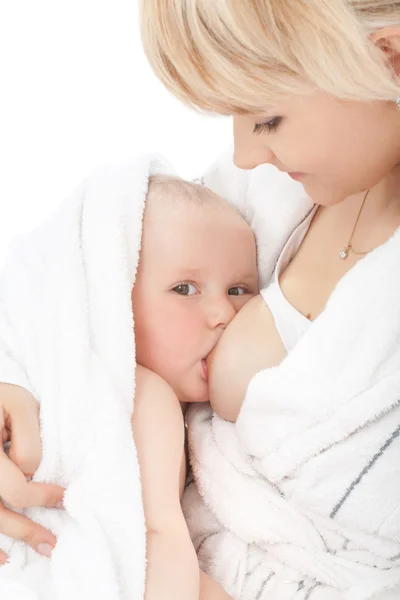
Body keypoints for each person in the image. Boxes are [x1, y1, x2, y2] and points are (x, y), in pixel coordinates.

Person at [138, 1, 400, 598]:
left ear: (391, 59)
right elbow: (92, 272)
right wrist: (23, 387)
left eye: (267, 120)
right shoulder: (255, 196)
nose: (244, 155)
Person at [0, 174, 258, 600]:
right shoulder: (147, 397)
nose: (223, 312)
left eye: (238, 289)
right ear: (113, 300)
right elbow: (153, 542)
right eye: (184, 289)